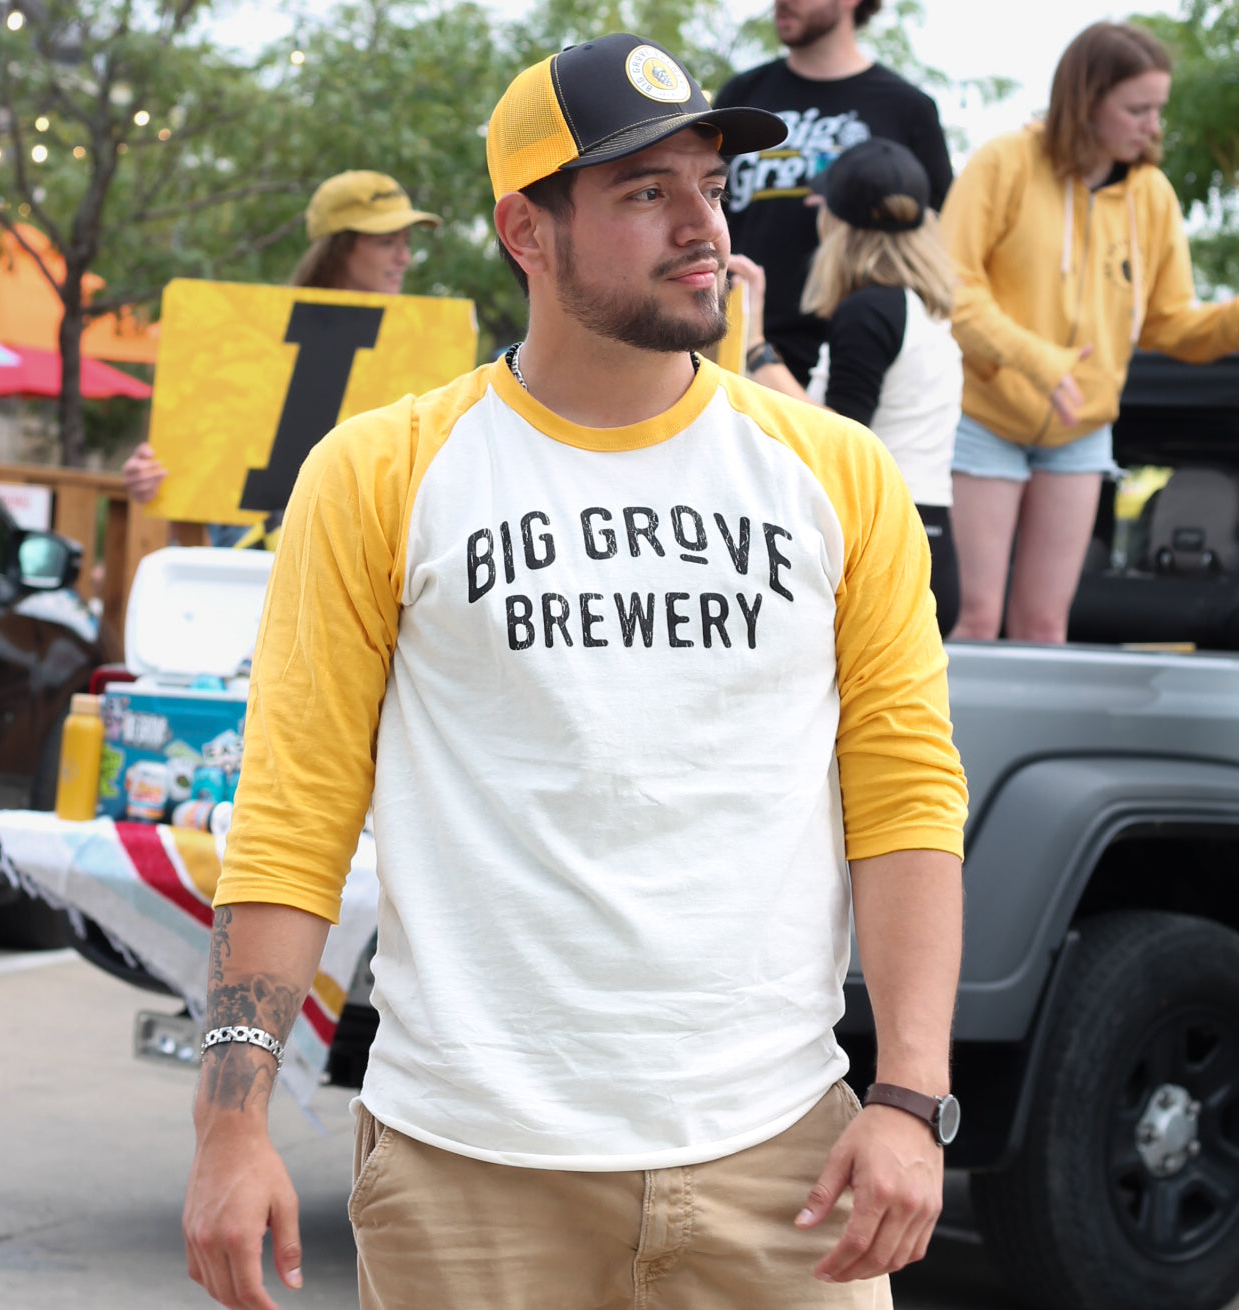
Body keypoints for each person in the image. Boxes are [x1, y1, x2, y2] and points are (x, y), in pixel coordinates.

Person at [182, 32, 968, 1310]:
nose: (699, 225)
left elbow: (902, 798)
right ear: (525, 231)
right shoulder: (383, 472)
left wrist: (908, 1096)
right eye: (642, 191)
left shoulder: (834, 475)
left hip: (784, 1163)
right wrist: (231, 1123)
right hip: (469, 1175)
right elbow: (291, 817)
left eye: (707, 183)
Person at [940, 21, 1239, 643]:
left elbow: (1170, 325)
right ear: (1086, 102)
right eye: (1137, 109)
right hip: (986, 416)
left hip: (1081, 430)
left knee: (1046, 623)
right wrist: (1038, 362)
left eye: (1158, 108)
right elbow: (952, 286)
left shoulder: (1152, 194)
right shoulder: (1003, 162)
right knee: (975, 618)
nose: (1154, 125)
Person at [728, 137, 962, 634]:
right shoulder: (924, 312)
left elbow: (840, 438)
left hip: (888, 543)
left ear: (835, 220)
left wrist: (756, 347)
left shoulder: (869, 311)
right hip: (929, 531)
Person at [120, 170, 440, 527]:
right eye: (387, 243)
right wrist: (152, 474)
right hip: (252, 550)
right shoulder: (249, 338)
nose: (404, 258)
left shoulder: (426, 349)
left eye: (406, 243)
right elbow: (205, 456)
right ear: (338, 248)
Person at [713, 0, 951, 389]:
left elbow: (934, 243)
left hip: (850, 360)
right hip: (737, 349)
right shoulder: (742, 93)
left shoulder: (907, 109)